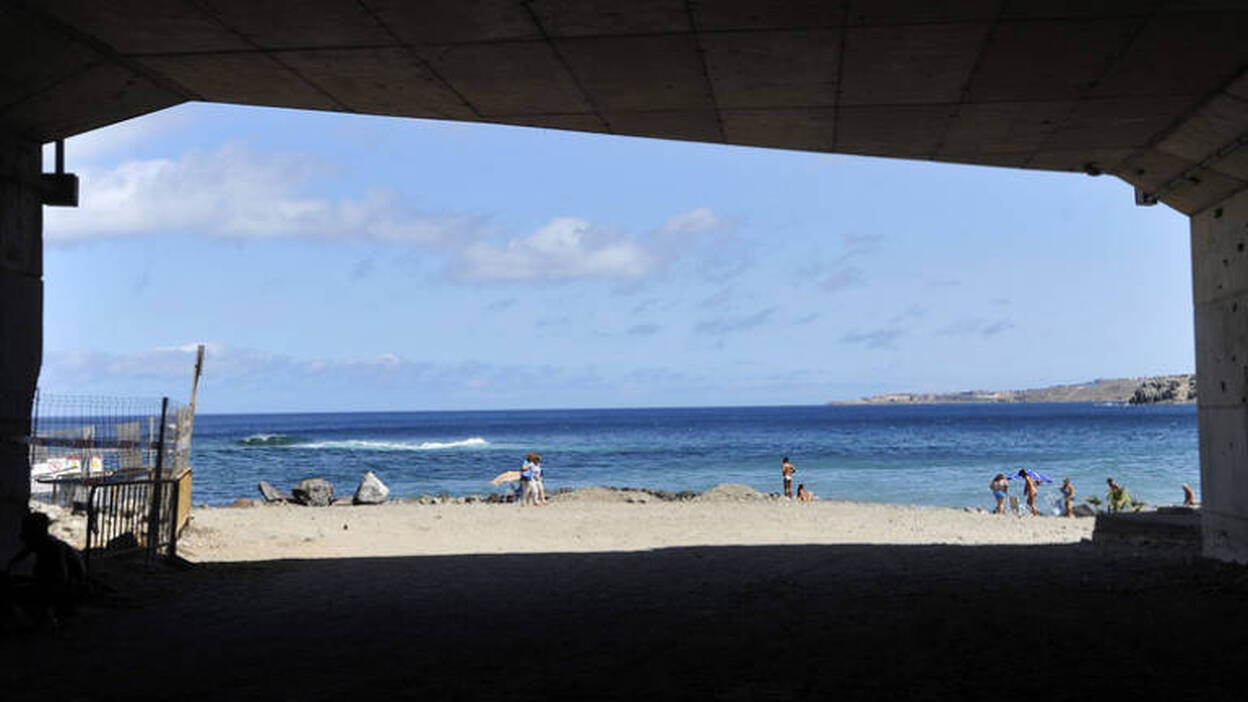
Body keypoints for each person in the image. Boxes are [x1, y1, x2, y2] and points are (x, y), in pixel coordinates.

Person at [5, 511, 86, 629]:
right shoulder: (43, 544)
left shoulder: (53, 550)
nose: (22, 536)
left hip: (65, 588)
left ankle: (48, 613)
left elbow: (60, 579)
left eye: (26, 531)